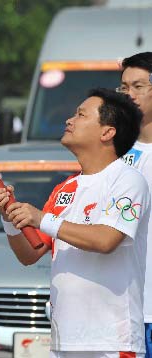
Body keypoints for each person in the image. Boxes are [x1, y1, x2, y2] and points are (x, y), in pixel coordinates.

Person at [0, 89, 150, 358]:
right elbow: (30, 254)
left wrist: (42, 218)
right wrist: (9, 219)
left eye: (81, 114)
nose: (69, 120)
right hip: (65, 340)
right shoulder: (65, 189)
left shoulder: (128, 180)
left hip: (111, 341)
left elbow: (105, 240)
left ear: (107, 132)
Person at [119, 52, 152, 358]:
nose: (128, 95)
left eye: (138, 86)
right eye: (124, 87)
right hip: (127, 308)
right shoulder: (113, 152)